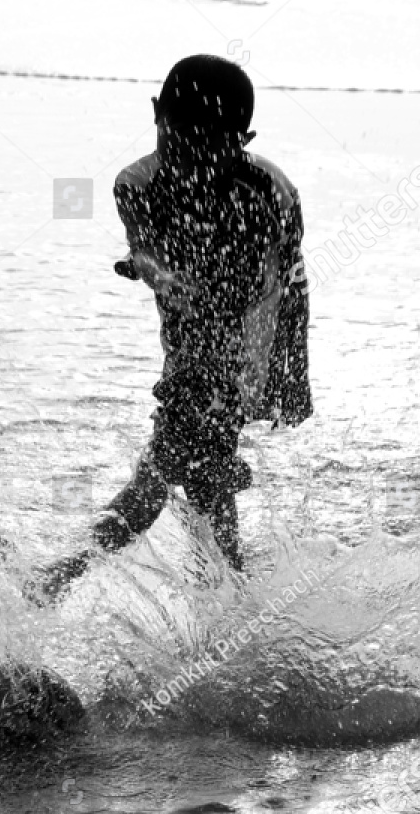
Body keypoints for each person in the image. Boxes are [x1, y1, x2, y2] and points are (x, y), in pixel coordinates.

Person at [26, 54, 312, 605]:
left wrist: (291, 373)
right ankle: (232, 605)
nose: (193, 160)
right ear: (156, 115)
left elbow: (292, 286)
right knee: (206, 488)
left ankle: (64, 576)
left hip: (240, 352)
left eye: (213, 148)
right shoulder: (136, 183)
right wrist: (153, 271)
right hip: (185, 350)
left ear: (243, 139)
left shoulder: (271, 192)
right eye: (180, 141)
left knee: (157, 481)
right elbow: (149, 252)